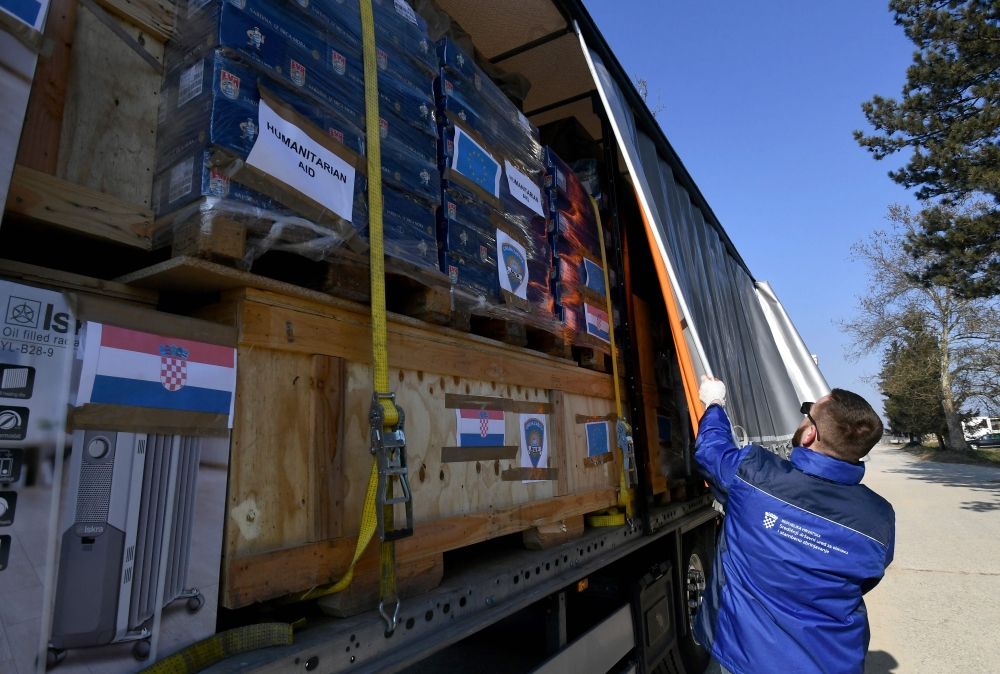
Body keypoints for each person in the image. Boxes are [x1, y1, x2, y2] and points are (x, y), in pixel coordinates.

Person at [693, 376, 894, 674]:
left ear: (811, 433)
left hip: (747, 660)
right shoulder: (880, 517)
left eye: (808, 410)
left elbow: (711, 451)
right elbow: (866, 580)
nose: (803, 416)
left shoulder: (756, 476)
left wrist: (714, 402)